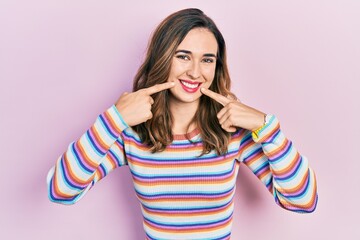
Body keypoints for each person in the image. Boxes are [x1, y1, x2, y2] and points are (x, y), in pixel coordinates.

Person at [47, 8, 318, 240]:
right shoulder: (131, 135)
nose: (195, 72)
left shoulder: (233, 134)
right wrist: (113, 120)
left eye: (207, 60)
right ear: (163, 58)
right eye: (183, 56)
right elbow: (62, 190)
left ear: (216, 67)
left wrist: (266, 127)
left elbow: (303, 201)